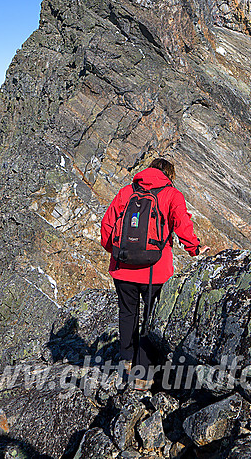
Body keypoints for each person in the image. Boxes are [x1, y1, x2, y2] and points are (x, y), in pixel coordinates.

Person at [100, 157, 208, 389]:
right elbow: (182, 224)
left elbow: (107, 224)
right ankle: (142, 376)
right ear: (170, 175)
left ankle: (126, 361)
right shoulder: (172, 195)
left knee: (127, 314)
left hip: (122, 268)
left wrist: (117, 253)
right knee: (150, 319)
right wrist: (194, 248)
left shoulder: (127, 191)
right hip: (154, 271)